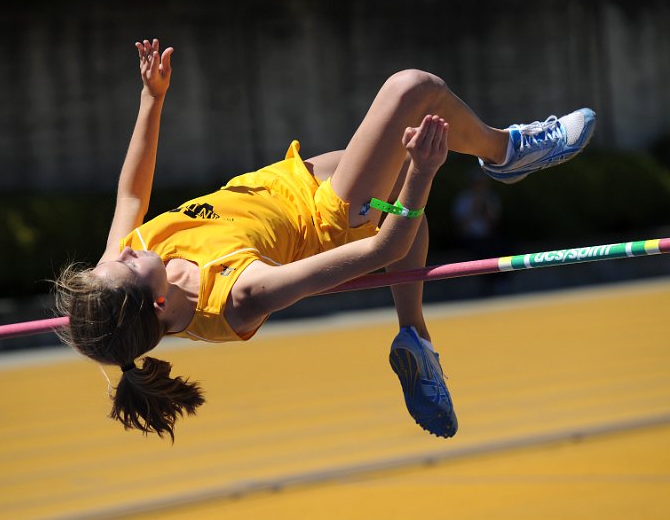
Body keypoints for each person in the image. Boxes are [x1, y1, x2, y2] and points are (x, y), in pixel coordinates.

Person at [55, 38, 596, 441]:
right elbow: (381, 249)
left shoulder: (128, 268)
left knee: (416, 222)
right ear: (152, 300)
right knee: (413, 89)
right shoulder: (236, 298)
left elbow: (130, 196)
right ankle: (507, 151)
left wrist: (152, 100)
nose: (122, 249)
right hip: (327, 221)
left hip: (295, 179)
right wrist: (421, 174)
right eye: (123, 263)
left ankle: (416, 338)